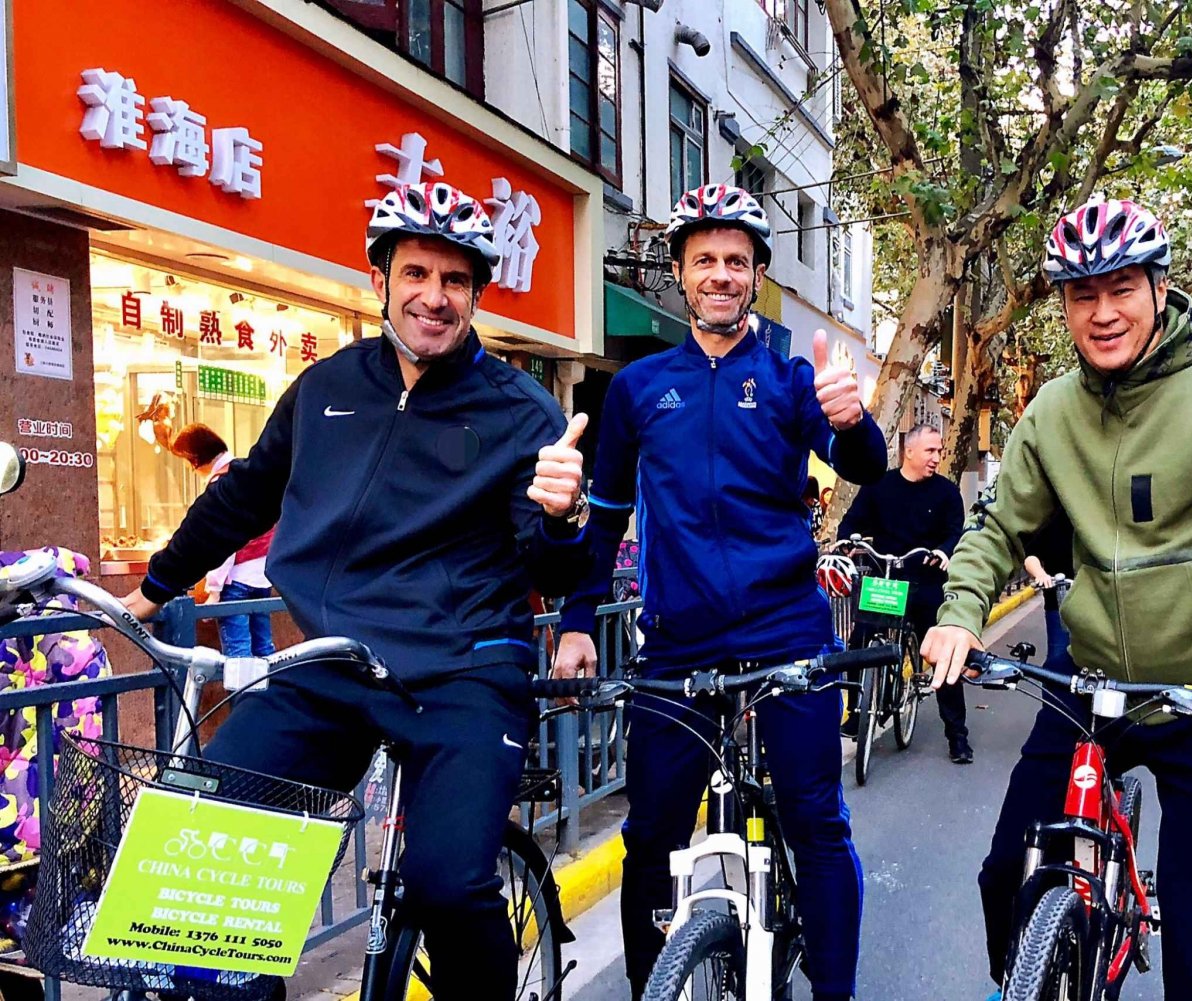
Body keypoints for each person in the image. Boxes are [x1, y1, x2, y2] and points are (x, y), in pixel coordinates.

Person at [121, 181, 591, 998]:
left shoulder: (521, 411)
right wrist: (154, 587)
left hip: (465, 669)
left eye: (454, 280)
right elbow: (245, 495)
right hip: (338, 661)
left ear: (477, 295)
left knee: (449, 883)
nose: (433, 296)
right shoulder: (325, 387)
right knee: (204, 836)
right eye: (416, 273)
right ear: (380, 279)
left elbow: (550, 569)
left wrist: (562, 516)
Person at [920, 198, 1192, 1001]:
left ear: (1160, 287)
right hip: (1097, 679)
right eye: (1084, 295)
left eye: (1121, 288)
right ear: (1064, 306)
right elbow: (998, 527)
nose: (1103, 312)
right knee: (1006, 870)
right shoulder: (1052, 410)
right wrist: (959, 614)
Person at [550, 183, 886, 1001]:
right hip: (678, 642)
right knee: (650, 837)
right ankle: (653, 987)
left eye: (737, 261)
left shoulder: (790, 379)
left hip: (787, 631)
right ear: (680, 272)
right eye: (705, 260)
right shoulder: (636, 388)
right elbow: (606, 513)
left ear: (757, 275)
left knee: (816, 821)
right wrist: (578, 620)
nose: (722, 274)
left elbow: (865, 466)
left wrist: (851, 422)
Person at [836, 423, 970, 762]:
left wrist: (944, 551)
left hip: (926, 582)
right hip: (886, 582)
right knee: (859, 642)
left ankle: (957, 735)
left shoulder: (946, 492)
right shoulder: (879, 486)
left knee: (943, 655)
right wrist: (846, 543)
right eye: (930, 450)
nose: (936, 457)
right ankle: (856, 711)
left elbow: (956, 532)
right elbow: (850, 523)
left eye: (939, 451)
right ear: (908, 452)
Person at [169, 423, 277, 657]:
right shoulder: (246, 474)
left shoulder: (222, 483)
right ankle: (270, 684)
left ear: (194, 457)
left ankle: (246, 686)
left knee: (238, 654)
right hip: (262, 575)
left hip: (236, 579)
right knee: (264, 649)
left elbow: (224, 542)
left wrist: (214, 589)